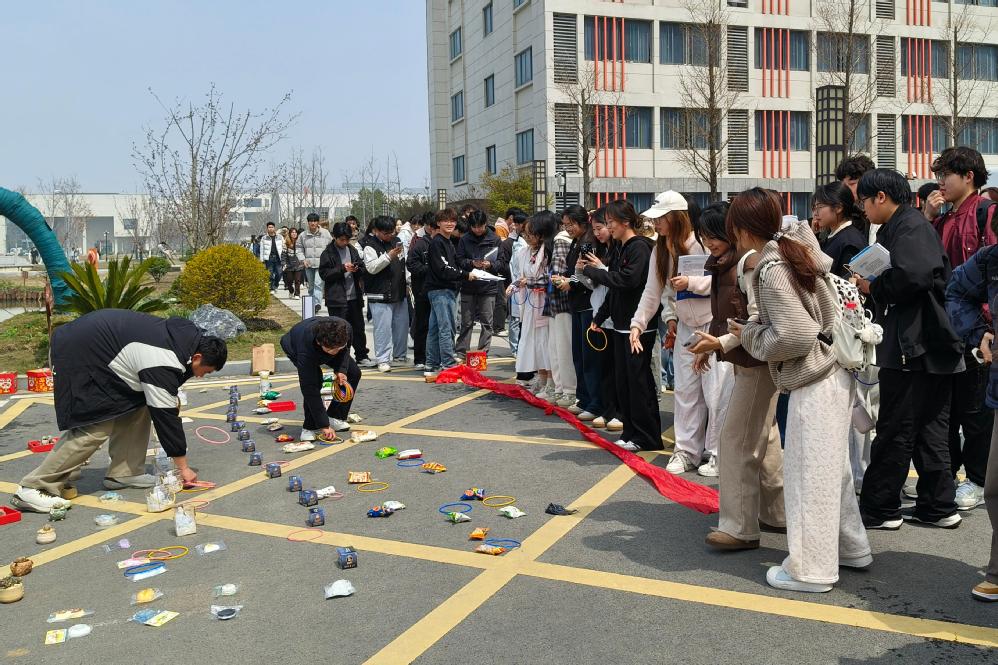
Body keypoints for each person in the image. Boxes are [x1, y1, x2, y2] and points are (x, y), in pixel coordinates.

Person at [729, 187, 871, 593]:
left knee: (809, 474)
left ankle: (810, 570)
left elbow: (794, 334)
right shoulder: (796, 250)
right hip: (834, 368)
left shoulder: (772, 268)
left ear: (742, 230)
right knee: (832, 470)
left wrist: (751, 334)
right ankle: (851, 548)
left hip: (813, 374)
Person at [12, 311, 227, 512]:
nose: (201, 376)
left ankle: (124, 473)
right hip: (80, 353)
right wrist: (183, 468)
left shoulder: (185, 340)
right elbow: (166, 418)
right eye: (205, 371)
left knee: (140, 404)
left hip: (98, 349)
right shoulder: (164, 359)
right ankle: (34, 487)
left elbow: (161, 398)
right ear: (197, 357)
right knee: (95, 425)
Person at [854, 168, 965, 530]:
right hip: (929, 344)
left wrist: (873, 287)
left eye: (864, 201)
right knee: (930, 429)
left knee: (896, 428)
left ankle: (880, 508)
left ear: (881, 197)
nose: (863, 209)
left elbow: (913, 276)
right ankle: (937, 505)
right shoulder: (908, 225)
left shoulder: (909, 226)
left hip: (912, 344)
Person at [688, 201, 786, 550]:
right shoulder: (734, 262)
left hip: (757, 362)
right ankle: (777, 513)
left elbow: (758, 320)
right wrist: (714, 344)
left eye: (715, 234)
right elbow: (730, 316)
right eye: (704, 236)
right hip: (752, 360)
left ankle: (740, 527)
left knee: (735, 440)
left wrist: (720, 343)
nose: (709, 242)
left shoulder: (751, 262)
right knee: (764, 438)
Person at [924, 147, 996, 511]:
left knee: (975, 409)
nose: (940, 183)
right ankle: (949, 476)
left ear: (968, 176)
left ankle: (979, 480)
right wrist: (928, 217)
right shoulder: (943, 218)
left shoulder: (985, 212)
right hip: (948, 323)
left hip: (979, 328)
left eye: (946, 175)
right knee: (948, 408)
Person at [632, 191, 725, 474]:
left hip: (713, 325)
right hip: (686, 327)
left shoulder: (703, 242)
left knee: (716, 392)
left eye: (661, 218)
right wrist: (640, 323)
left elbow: (722, 281)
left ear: (677, 217)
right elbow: (653, 291)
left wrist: (691, 283)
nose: (656, 223)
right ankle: (686, 451)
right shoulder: (660, 249)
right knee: (686, 392)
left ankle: (717, 452)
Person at [585, 199, 660, 451]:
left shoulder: (640, 247)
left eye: (610, 223)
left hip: (638, 326)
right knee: (624, 383)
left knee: (639, 384)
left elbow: (628, 280)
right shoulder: (621, 247)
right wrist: (599, 317)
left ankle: (647, 436)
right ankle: (631, 433)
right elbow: (614, 290)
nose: (608, 228)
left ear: (625, 222)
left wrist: (593, 272)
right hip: (620, 324)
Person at [280, 317, 360, 439]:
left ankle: (335, 416)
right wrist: (324, 425)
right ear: (319, 343)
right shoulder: (305, 349)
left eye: (338, 348)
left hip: (331, 344)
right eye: (331, 350)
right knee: (315, 381)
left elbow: (345, 350)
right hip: (296, 347)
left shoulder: (346, 329)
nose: (335, 352)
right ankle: (309, 427)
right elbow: (309, 388)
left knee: (353, 373)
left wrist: (341, 370)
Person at [559, 205, 601, 420]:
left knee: (589, 357)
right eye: (565, 225)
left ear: (582, 222)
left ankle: (594, 402)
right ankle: (584, 398)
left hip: (588, 304)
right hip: (577, 305)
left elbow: (586, 272)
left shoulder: (588, 242)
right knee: (579, 355)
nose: (568, 229)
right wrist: (566, 279)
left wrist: (570, 282)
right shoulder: (577, 241)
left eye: (571, 224)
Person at [424, 208, 476, 379]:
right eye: (445, 220)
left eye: (452, 221)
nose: (450, 223)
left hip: (441, 290)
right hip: (441, 290)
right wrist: (466, 275)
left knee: (435, 329)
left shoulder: (447, 242)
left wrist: (471, 267)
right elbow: (444, 269)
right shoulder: (438, 242)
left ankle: (431, 364)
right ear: (438, 223)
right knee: (447, 328)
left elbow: (455, 265)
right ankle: (448, 364)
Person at [510, 211, 557, 397]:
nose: (527, 237)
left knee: (546, 342)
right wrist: (516, 284)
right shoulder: (525, 252)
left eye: (531, 233)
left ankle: (551, 381)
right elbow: (520, 275)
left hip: (544, 303)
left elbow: (549, 277)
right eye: (525, 233)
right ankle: (542, 378)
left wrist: (528, 281)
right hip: (530, 304)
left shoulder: (549, 251)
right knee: (533, 342)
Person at [319, 222, 373, 368]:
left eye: (347, 239)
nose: (344, 242)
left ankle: (362, 355)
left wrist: (357, 269)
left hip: (354, 297)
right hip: (337, 299)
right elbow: (324, 274)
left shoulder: (352, 250)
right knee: (339, 331)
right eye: (341, 239)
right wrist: (342, 268)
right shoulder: (327, 253)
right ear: (334, 237)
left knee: (358, 329)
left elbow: (362, 267)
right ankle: (340, 360)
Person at [361, 215, 410, 372]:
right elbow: (371, 268)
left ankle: (400, 355)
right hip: (380, 295)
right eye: (386, 233)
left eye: (392, 232)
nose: (390, 235)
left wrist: (407, 282)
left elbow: (403, 264)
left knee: (402, 327)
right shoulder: (369, 246)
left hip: (399, 292)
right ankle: (382, 359)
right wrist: (388, 256)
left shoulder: (397, 242)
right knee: (383, 330)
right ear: (376, 231)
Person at [455, 210, 500, 359]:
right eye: (474, 227)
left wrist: (490, 265)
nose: (477, 230)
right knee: (466, 322)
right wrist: (471, 263)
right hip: (469, 285)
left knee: (487, 322)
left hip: (488, 286)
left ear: (485, 223)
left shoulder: (495, 239)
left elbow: (502, 262)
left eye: (480, 226)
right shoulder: (464, 239)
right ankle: (461, 352)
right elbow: (459, 260)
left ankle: (482, 354)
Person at [547, 215, 578, 407]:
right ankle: (564, 390)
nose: (568, 228)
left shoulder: (561, 240)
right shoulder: (571, 240)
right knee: (560, 349)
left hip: (562, 302)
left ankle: (567, 391)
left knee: (562, 349)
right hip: (565, 302)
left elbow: (558, 271)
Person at [814, 181, 868, 279]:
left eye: (820, 207)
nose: (815, 213)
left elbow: (847, 283)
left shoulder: (850, 243)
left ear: (838, 208)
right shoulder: (835, 235)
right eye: (815, 207)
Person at [496, 208, 528, 353]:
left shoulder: (523, 241)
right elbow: (510, 266)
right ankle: (515, 349)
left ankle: (520, 348)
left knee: (523, 319)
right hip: (516, 284)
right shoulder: (512, 243)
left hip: (526, 286)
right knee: (515, 318)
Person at [407, 211, 436, 370]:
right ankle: (420, 358)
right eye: (432, 226)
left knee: (438, 326)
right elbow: (411, 264)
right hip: (422, 291)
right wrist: (429, 269)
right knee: (422, 324)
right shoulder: (418, 242)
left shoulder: (444, 241)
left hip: (439, 291)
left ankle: (435, 356)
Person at [297, 213, 333, 311]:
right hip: (308, 264)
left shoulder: (325, 233)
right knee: (311, 286)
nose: (313, 223)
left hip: (322, 265)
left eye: (315, 221)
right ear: (308, 222)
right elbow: (299, 248)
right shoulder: (303, 235)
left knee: (318, 284)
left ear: (318, 222)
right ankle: (311, 304)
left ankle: (316, 303)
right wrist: (302, 260)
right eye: (310, 221)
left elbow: (331, 246)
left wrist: (329, 260)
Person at [259, 221, 283, 293]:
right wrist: (262, 259)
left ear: (274, 228)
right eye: (269, 227)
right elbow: (261, 249)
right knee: (270, 273)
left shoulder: (280, 237)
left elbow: (283, 247)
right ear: (267, 228)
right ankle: (272, 288)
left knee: (279, 273)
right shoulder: (264, 238)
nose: (270, 228)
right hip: (269, 258)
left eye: (272, 227)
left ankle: (276, 284)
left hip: (278, 258)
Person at [283, 228, 304, 298]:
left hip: (298, 264)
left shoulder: (300, 242)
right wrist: (283, 263)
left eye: (295, 232)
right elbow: (283, 254)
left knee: (297, 280)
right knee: (289, 280)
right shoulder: (286, 243)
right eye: (292, 232)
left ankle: (297, 294)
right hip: (289, 265)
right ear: (290, 234)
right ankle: (291, 291)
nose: (294, 234)